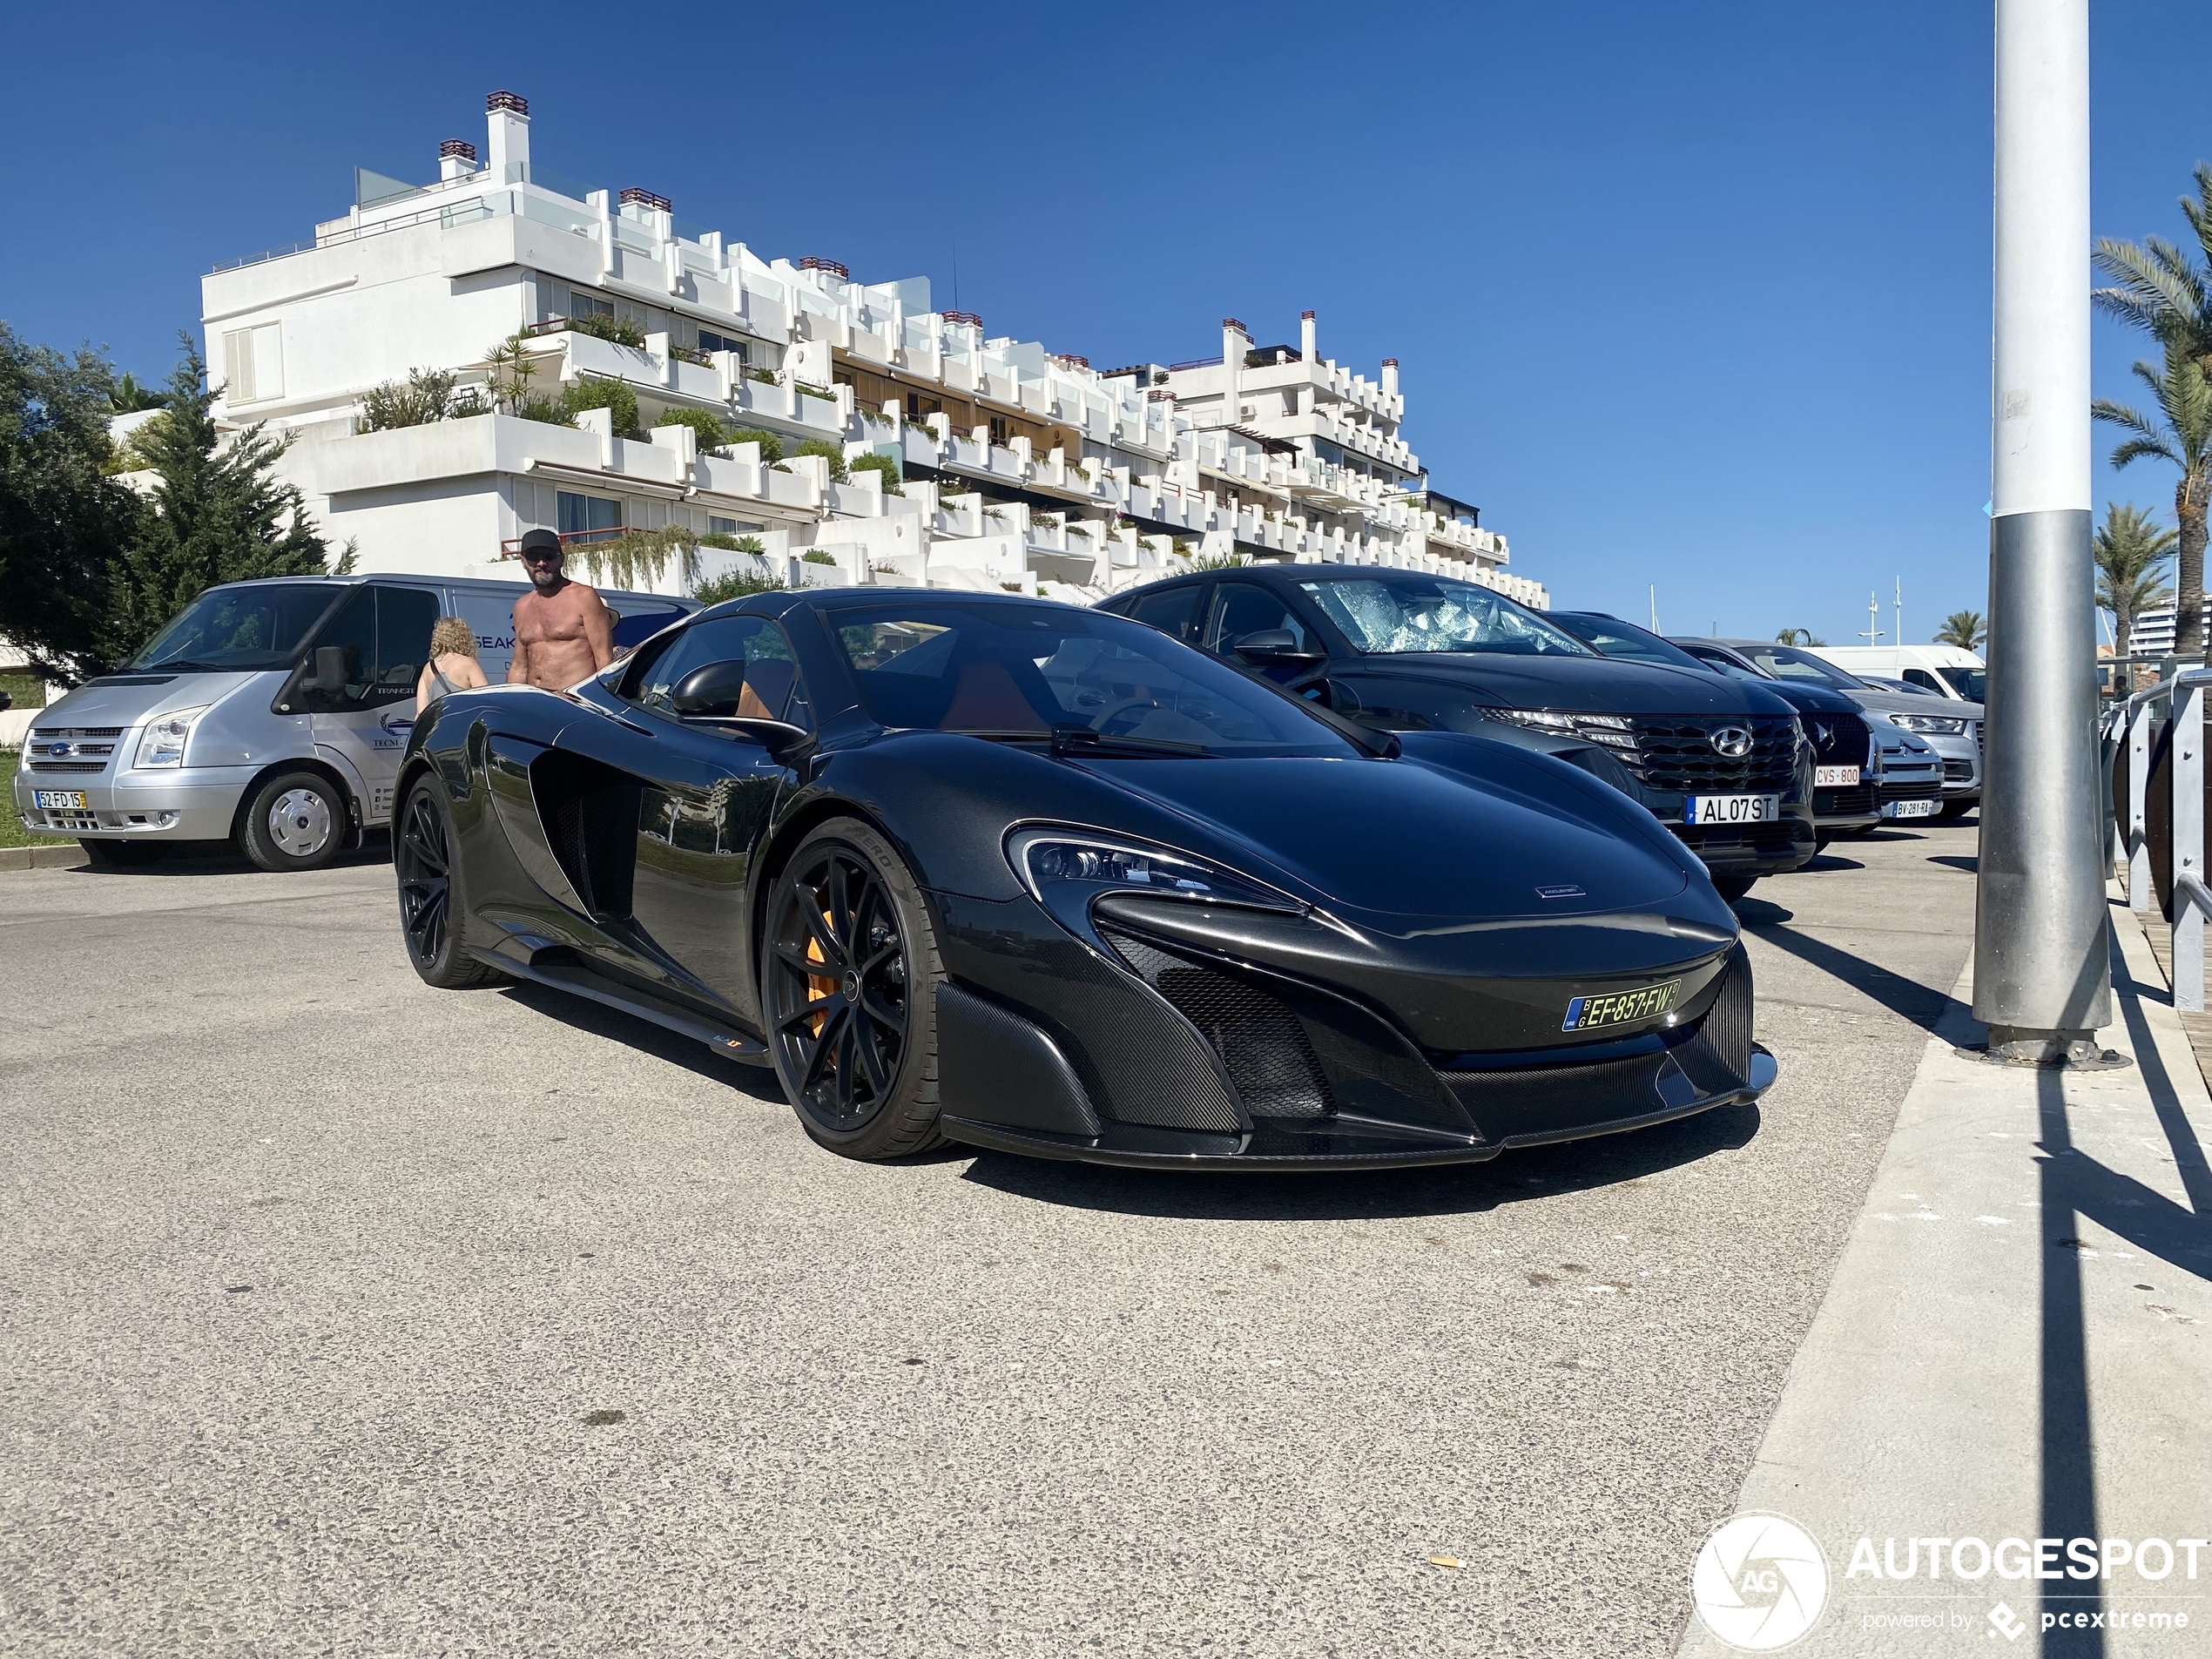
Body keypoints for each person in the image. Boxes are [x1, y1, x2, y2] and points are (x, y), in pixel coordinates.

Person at [509, 528, 613, 689]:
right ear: (523, 561)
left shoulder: (584, 597)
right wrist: (508, 703)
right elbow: (519, 666)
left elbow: (604, 659)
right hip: (535, 703)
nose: (541, 563)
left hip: (575, 703)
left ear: (561, 559)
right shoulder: (521, 606)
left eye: (549, 557)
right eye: (533, 557)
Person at [415, 616, 489, 714]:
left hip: (438, 727)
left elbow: (420, 711)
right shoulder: (468, 664)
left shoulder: (428, 668)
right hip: (462, 725)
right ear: (464, 637)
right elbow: (486, 700)